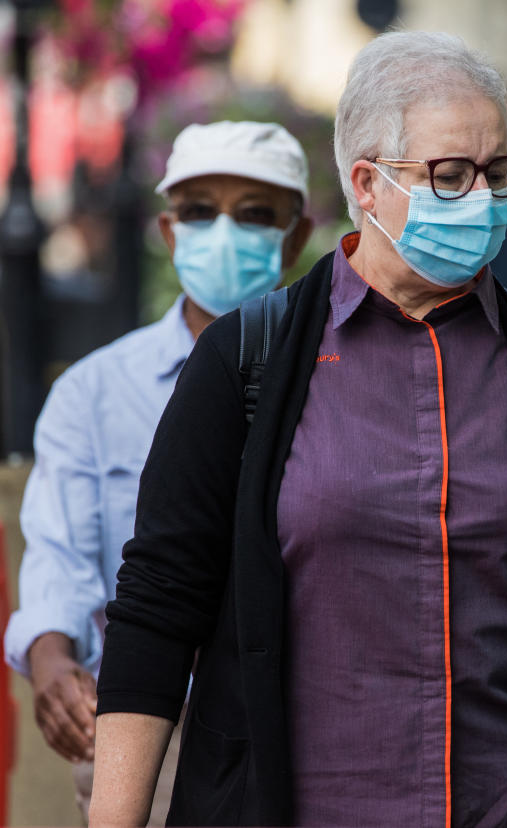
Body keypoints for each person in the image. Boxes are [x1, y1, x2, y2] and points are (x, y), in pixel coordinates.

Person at [88, 32, 507, 828]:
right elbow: (158, 608)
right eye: (451, 174)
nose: (485, 199)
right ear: (366, 183)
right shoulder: (247, 361)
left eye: (499, 171)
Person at [5, 119, 312, 824]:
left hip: (312, 725)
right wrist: (53, 660)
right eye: (201, 211)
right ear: (171, 233)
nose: (225, 233)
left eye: (255, 214)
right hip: (154, 728)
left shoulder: (340, 377)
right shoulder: (94, 392)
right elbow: (59, 556)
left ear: (296, 238)